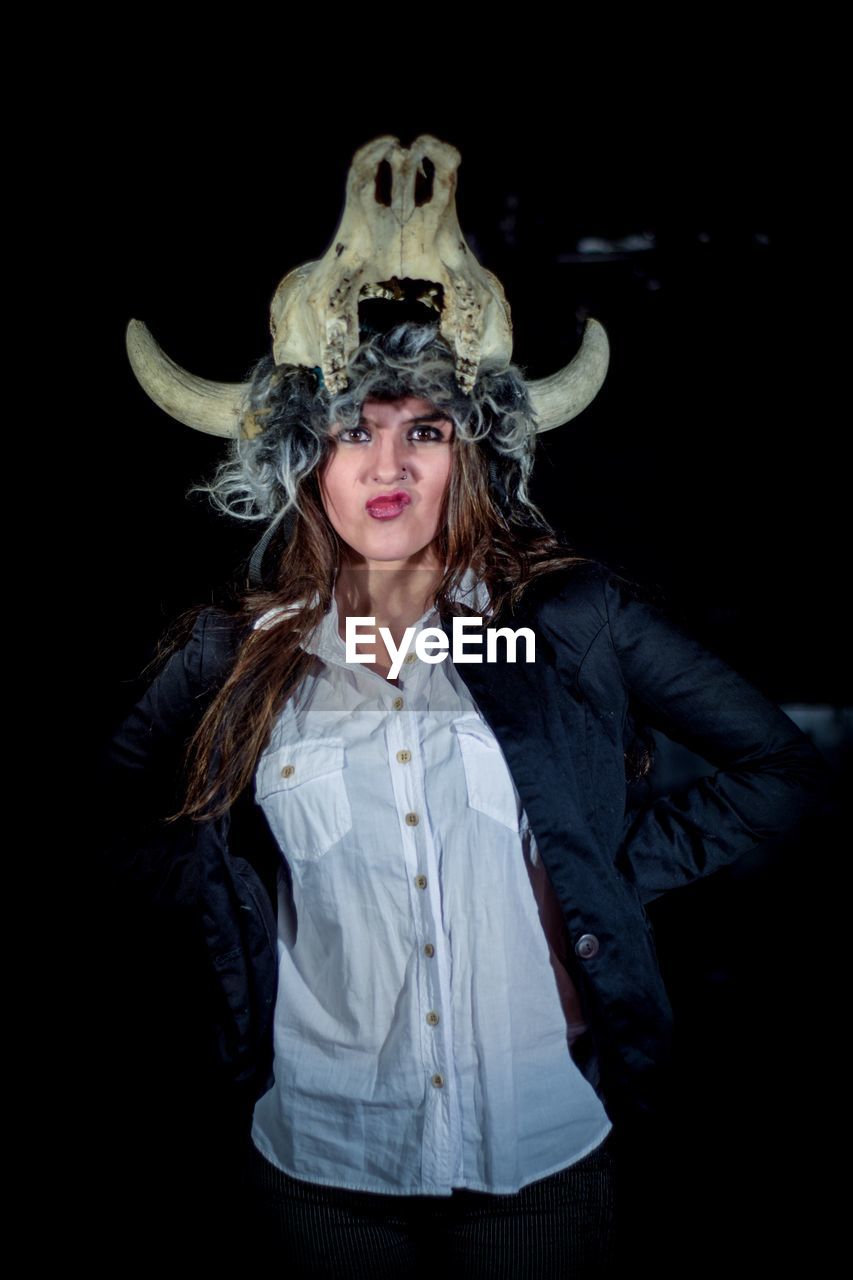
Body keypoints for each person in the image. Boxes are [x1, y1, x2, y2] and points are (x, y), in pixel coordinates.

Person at [100, 137, 831, 1277]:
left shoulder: (570, 620)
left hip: (542, 1166)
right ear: (306, 459)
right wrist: (227, 910)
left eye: (424, 429)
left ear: (467, 454)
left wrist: (597, 875)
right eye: (353, 428)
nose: (388, 462)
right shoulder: (235, 652)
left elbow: (779, 772)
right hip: (317, 1171)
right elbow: (107, 822)